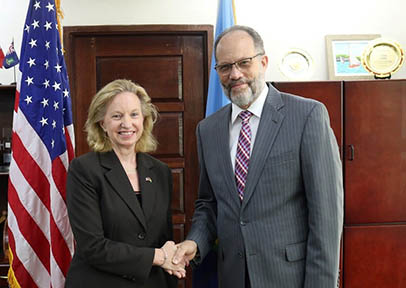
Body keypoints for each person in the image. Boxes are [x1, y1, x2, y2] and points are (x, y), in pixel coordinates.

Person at [172, 25, 343, 288]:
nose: (235, 74)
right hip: (232, 277)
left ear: (263, 62)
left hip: (290, 278)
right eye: (225, 66)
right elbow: (209, 204)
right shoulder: (207, 130)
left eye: (244, 62)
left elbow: (326, 216)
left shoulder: (307, 116)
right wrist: (194, 241)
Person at [66, 79, 184, 287]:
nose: (127, 124)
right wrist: (157, 257)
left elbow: (163, 238)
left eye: (134, 114)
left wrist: (171, 261)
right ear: (102, 122)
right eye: (117, 116)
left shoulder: (160, 172)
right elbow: (93, 247)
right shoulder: (84, 170)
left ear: (144, 119)